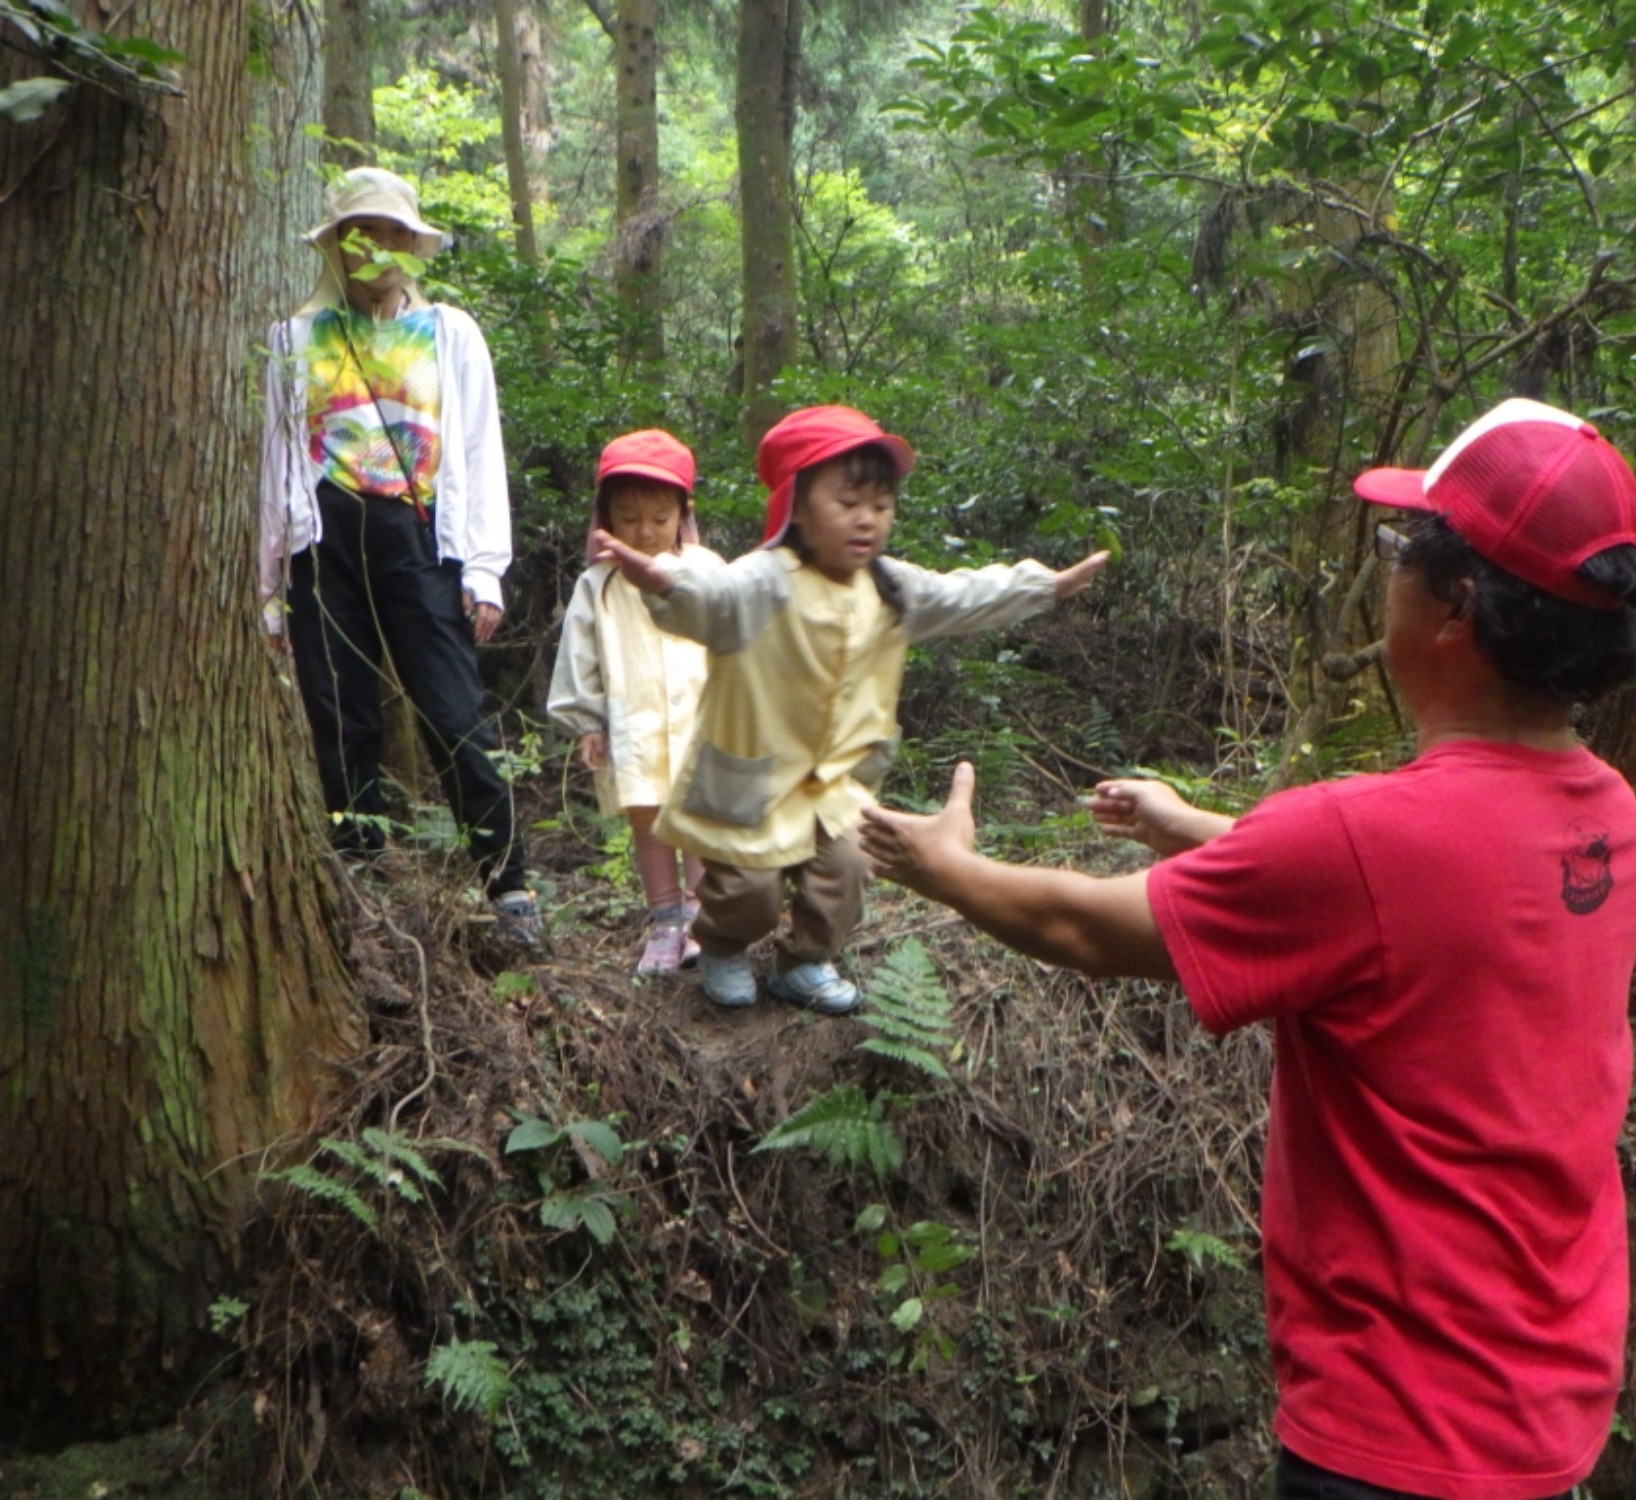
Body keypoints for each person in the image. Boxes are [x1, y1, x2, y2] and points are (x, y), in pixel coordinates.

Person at [860, 398, 1636, 1500]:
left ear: (1452, 609)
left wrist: (944, 865)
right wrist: (1191, 825)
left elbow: (1083, 929)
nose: (1384, 571)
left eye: (1397, 550)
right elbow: (1417, 900)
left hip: (1398, 1429)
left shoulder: (1362, 836)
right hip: (1549, 1400)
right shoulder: (1603, 815)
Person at [588, 404, 1109, 1015]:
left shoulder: (890, 587)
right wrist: (665, 583)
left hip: (838, 782)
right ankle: (724, 946)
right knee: (745, 890)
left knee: (847, 870)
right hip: (751, 775)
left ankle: (805, 959)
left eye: (881, 507)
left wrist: (1044, 585)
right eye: (848, 504)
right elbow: (712, 597)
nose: (868, 521)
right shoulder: (763, 581)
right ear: (798, 506)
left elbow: (963, 592)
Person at [258, 167, 541, 945]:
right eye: (361, 233)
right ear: (336, 247)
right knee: (340, 719)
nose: (377, 247)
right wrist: (271, 584)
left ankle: (509, 884)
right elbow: (277, 462)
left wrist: (483, 568)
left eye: (392, 233)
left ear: (413, 247)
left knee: (452, 714)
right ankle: (364, 880)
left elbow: (479, 452)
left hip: (420, 538)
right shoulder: (294, 337)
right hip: (324, 545)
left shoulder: (451, 332)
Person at [548, 430, 718, 977]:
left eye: (659, 518)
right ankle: (665, 921)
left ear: (682, 514)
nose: (644, 532)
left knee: (696, 817)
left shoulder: (707, 570)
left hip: (700, 717)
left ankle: (702, 917)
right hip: (634, 723)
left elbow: (735, 637)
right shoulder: (598, 584)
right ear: (606, 519)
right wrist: (588, 722)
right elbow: (581, 659)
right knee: (649, 822)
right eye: (628, 518)